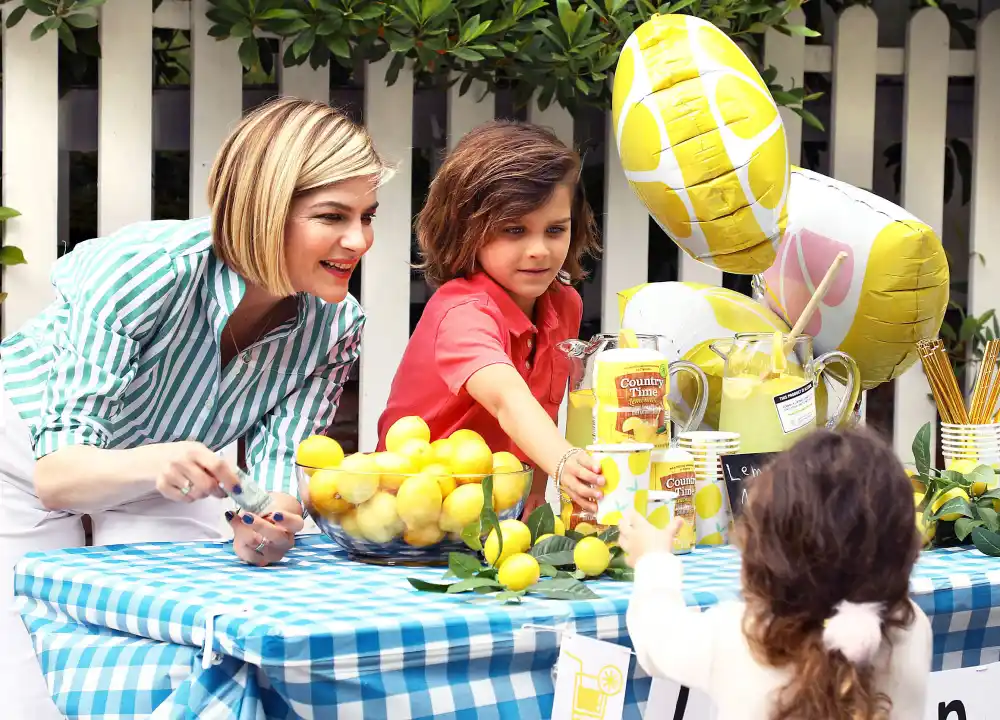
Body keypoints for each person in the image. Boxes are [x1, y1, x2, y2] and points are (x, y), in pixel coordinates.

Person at [0, 97, 390, 718]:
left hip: (166, 476)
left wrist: (271, 527)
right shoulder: (147, 270)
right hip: (26, 467)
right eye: (332, 216)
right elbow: (58, 476)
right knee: (31, 696)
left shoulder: (334, 325)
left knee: (174, 665)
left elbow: (280, 479)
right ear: (264, 211)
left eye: (368, 216)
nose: (359, 240)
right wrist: (153, 461)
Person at [619, 428, 932, 719]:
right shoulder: (912, 630)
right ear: (903, 546)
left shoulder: (738, 635)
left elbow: (656, 634)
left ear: (764, 551)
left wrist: (653, 559)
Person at [375, 120, 603, 516]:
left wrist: (535, 502)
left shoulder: (564, 304)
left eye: (555, 230)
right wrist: (566, 460)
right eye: (514, 230)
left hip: (502, 522)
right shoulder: (463, 311)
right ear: (467, 230)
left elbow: (540, 412)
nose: (539, 250)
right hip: (416, 518)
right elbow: (509, 400)